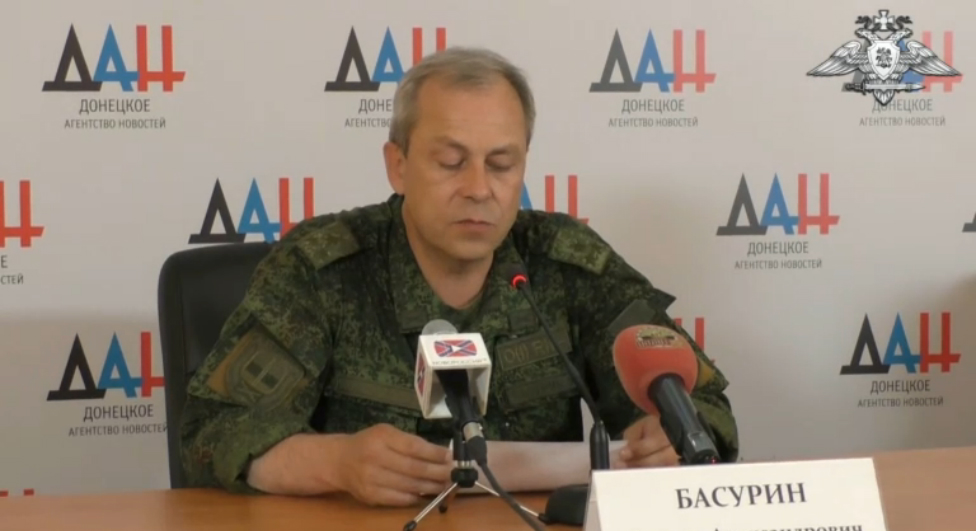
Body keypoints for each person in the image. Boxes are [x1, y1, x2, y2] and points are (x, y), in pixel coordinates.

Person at [179, 46, 738, 507]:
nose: (478, 188)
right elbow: (213, 431)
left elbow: (703, 405)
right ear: (398, 165)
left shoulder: (566, 263)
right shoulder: (322, 270)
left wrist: (673, 435)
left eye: (501, 164)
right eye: (450, 162)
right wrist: (337, 462)